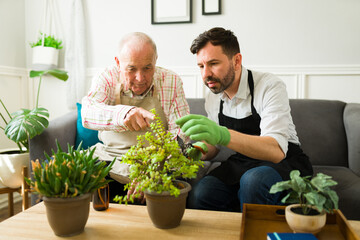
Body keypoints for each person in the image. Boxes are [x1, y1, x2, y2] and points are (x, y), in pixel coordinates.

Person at [176, 27, 313, 212]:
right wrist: (194, 150)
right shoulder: (214, 94)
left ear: (237, 61)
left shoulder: (269, 86)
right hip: (243, 161)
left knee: (254, 181)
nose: (205, 74)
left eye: (213, 63)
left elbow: (276, 151)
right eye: (201, 66)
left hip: (284, 161)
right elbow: (214, 145)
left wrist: (223, 134)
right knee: (202, 192)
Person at [81, 32, 190, 201]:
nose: (140, 78)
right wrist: (124, 114)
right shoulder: (106, 78)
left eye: (147, 67)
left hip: (157, 164)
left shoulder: (171, 81)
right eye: (131, 69)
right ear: (118, 63)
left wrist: (152, 170)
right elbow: (87, 114)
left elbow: (181, 133)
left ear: (155, 60)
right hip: (111, 159)